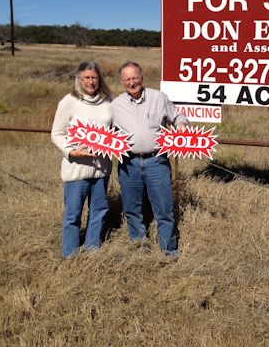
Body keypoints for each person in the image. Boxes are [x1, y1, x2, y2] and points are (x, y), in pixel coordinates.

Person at [111, 61, 188, 258]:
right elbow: (103, 129)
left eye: (135, 78)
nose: (131, 82)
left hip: (157, 162)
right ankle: (139, 248)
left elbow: (177, 116)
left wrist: (181, 125)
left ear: (142, 78)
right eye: (127, 79)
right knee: (132, 208)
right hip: (128, 163)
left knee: (164, 209)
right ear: (122, 82)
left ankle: (168, 251)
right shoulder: (115, 105)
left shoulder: (158, 98)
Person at [51, 60, 113, 258]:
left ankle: (92, 251)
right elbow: (57, 133)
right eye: (86, 77)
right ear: (79, 79)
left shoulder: (108, 101)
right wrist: (71, 151)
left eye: (94, 77)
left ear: (99, 79)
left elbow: (116, 131)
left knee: (99, 210)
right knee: (73, 214)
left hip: (101, 169)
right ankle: (69, 255)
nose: (91, 81)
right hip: (76, 169)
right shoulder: (69, 101)